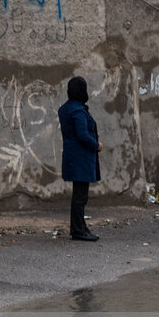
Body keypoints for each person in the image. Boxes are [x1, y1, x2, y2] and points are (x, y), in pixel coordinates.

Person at [58, 76, 102, 242]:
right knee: (80, 197)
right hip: (81, 158)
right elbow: (82, 135)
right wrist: (96, 144)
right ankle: (78, 230)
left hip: (73, 157)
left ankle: (80, 227)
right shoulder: (77, 110)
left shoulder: (66, 109)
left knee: (79, 196)